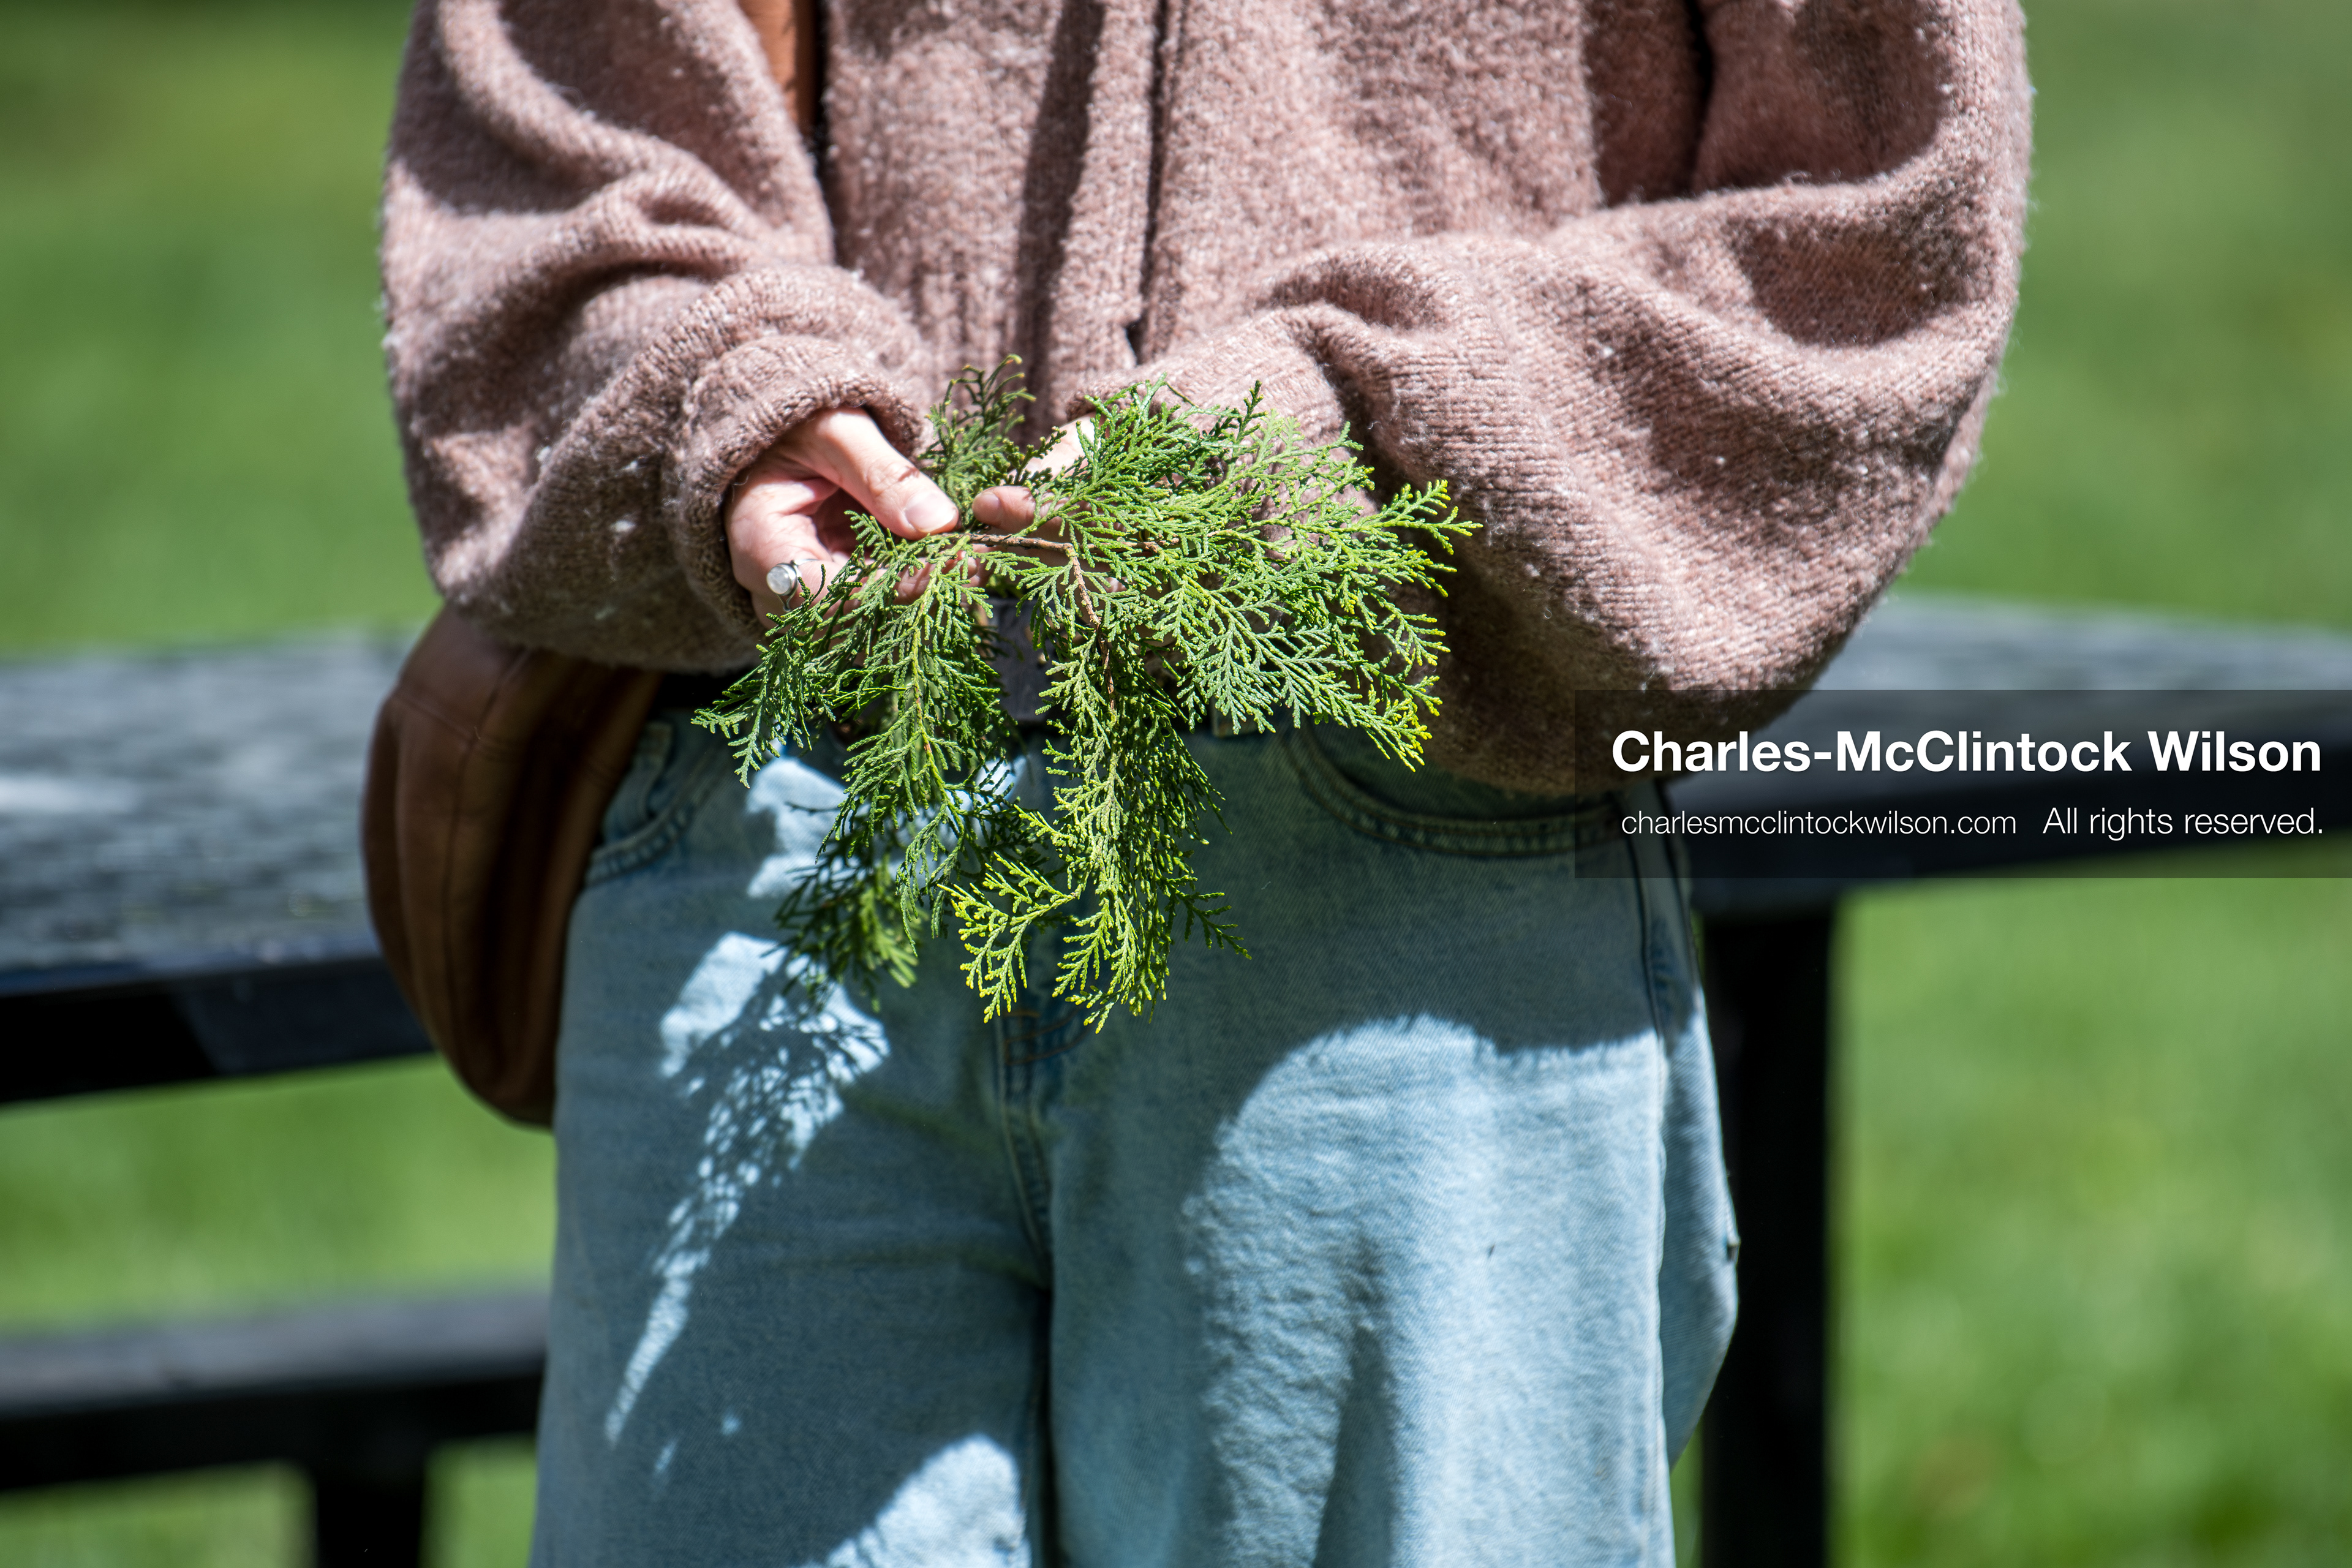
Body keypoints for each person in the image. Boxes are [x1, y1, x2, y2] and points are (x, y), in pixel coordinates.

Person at [381, 0, 2027, 1560]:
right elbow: (554, 128)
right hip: (776, 799)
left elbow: (1872, 231)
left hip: (1398, 831)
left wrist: (1347, 439)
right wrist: (732, 401)